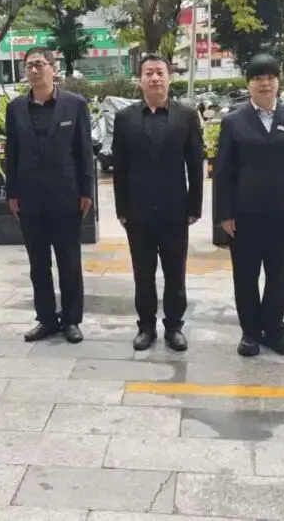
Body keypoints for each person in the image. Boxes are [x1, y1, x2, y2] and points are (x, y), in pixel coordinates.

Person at [214, 54, 284, 357]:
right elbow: (223, 171)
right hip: (245, 213)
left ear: (278, 82)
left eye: (270, 77)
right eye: (258, 78)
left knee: (279, 273)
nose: (265, 83)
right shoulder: (234, 121)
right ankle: (250, 332)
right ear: (249, 84)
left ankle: (274, 329)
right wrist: (224, 213)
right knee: (245, 274)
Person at [112, 53, 204, 351]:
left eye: (160, 72)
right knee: (143, 273)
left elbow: (195, 165)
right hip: (138, 211)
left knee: (175, 272)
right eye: (148, 73)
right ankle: (146, 326)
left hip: (175, 209)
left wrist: (194, 207)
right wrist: (122, 209)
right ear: (139, 80)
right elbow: (119, 167)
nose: (154, 78)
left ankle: (174, 326)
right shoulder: (125, 118)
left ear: (169, 77)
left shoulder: (186, 116)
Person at [4, 47, 94, 344]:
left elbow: (84, 151)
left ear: (53, 69)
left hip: (66, 195)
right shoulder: (16, 108)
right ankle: (46, 319)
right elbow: (12, 154)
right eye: (29, 65)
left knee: (69, 261)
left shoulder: (74, 105)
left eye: (40, 64)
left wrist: (87, 191)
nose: (34, 70)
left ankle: (71, 320)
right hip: (30, 198)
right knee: (38, 263)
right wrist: (12, 192)